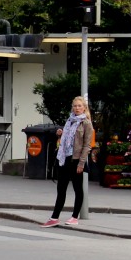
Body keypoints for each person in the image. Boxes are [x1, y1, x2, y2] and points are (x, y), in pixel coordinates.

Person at [43, 95, 95, 227]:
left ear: (84, 108)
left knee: (78, 188)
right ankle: (54, 217)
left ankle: (74, 216)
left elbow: (87, 145)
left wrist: (81, 163)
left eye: (79, 106)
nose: (77, 108)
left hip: (76, 160)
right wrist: (61, 133)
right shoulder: (70, 120)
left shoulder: (86, 123)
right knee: (61, 188)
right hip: (64, 158)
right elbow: (68, 138)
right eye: (75, 106)